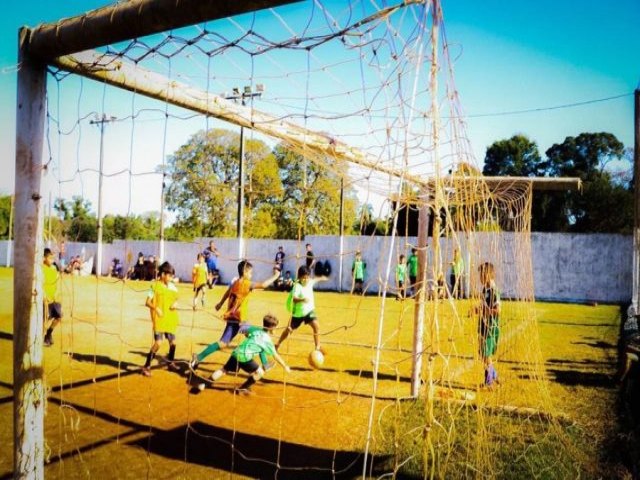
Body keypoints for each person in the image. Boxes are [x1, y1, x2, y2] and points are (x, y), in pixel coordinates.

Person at [190, 260, 279, 370]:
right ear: (245, 272)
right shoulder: (247, 283)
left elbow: (228, 292)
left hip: (232, 318)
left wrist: (220, 303)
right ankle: (265, 364)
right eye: (250, 273)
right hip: (241, 320)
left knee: (223, 343)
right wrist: (276, 275)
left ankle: (198, 357)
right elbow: (264, 285)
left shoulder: (235, 282)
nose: (251, 275)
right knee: (259, 336)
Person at [204, 314, 291, 395]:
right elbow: (275, 355)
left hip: (236, 352)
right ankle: (242, 389)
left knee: (224, 370)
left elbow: (244, 329)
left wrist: (248, 333)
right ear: (272, 328)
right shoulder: (267, 341)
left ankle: (205, 383)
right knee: (260, 373)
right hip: (245, 357)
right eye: (275, 327)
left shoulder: (255, 330)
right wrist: (285, 366)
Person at [276, 265, 329, 352]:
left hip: (309, 311)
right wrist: (302, 299)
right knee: (289, 330)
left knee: (316, 326)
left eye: (307, 278)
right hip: (298, 313)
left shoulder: (310, 282)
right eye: (303, 278)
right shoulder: (297, 286)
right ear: (299, 277)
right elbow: (294, 299)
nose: (306, 280)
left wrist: (323, 278)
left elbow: (316, 279)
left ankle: (317, 346)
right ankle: (278, 344)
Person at [141, 261, 180, 377]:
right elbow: (147, 302)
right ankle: (146, 366)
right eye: (169, 275)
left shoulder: (172, 287)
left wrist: (176, 304)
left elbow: (176, 300)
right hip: (159, 320)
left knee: (173, 343)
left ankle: (170, 363)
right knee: (158, 343)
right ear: (163, 274)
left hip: (170, 319)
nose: (171, 278)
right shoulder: (154, 286)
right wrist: (156, 308)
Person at [475, 262, 501, 387]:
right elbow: (483, 305)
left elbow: (498, 311)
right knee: (483, 353)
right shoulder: (485, 289)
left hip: (491, 327)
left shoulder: (493, 290)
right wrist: (477, 309)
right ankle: (494, 374)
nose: (480, 276)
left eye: (482, 274)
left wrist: (486, 311)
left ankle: (489, 381)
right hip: (483, 325)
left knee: (486, 354)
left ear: (488, 274)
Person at [43, 248, 63, 346]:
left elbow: (57, 281)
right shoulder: (40, 268)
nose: (52, 260)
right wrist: (44, 295)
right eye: (50, 258)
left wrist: (57, 292)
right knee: (44, 320)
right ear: (43, 258)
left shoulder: (54, 268)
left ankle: (48, 334)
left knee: (59, 317)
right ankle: (40, 338)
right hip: (45, 299)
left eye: (52, 258)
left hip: (55, 298)